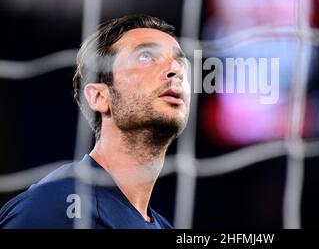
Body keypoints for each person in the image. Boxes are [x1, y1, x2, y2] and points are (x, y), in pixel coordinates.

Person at [0, 14, 191, 228]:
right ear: (99, 97)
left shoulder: (164, 226)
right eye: (146, 56)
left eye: (180, 62)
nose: (176, 71)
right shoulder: (55, 206)